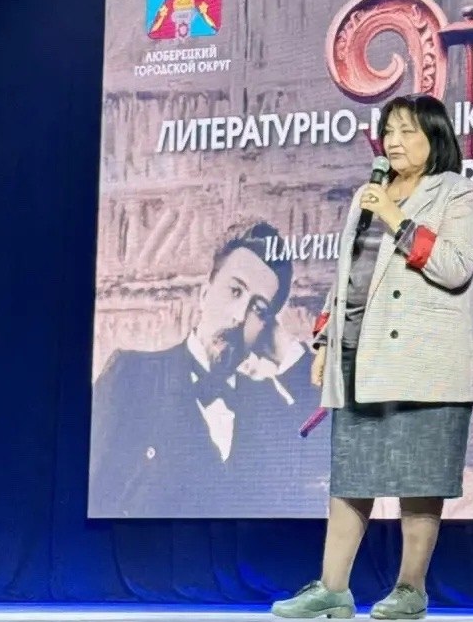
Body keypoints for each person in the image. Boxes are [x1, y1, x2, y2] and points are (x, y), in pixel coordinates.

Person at [272, 93, 473, 621]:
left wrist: (394, 216)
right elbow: (345, 278)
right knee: (352, 475)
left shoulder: (455, 192)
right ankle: (333, 588)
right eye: (388, 131)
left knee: (420, 478)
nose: (393, 141)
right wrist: (324, 343)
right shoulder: (367, 194)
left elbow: (456, 266)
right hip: (360, 358)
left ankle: (410, 589)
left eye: (407, 131)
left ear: (435, 137)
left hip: (425, 363)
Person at [90, 221, 318, 518]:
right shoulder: (132, 377)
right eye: (235, 291)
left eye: (258, 309)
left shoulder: (271, 408)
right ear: (204, 293)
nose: (240, 316)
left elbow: (339, 442)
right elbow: (89, 496)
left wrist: (285, 350)